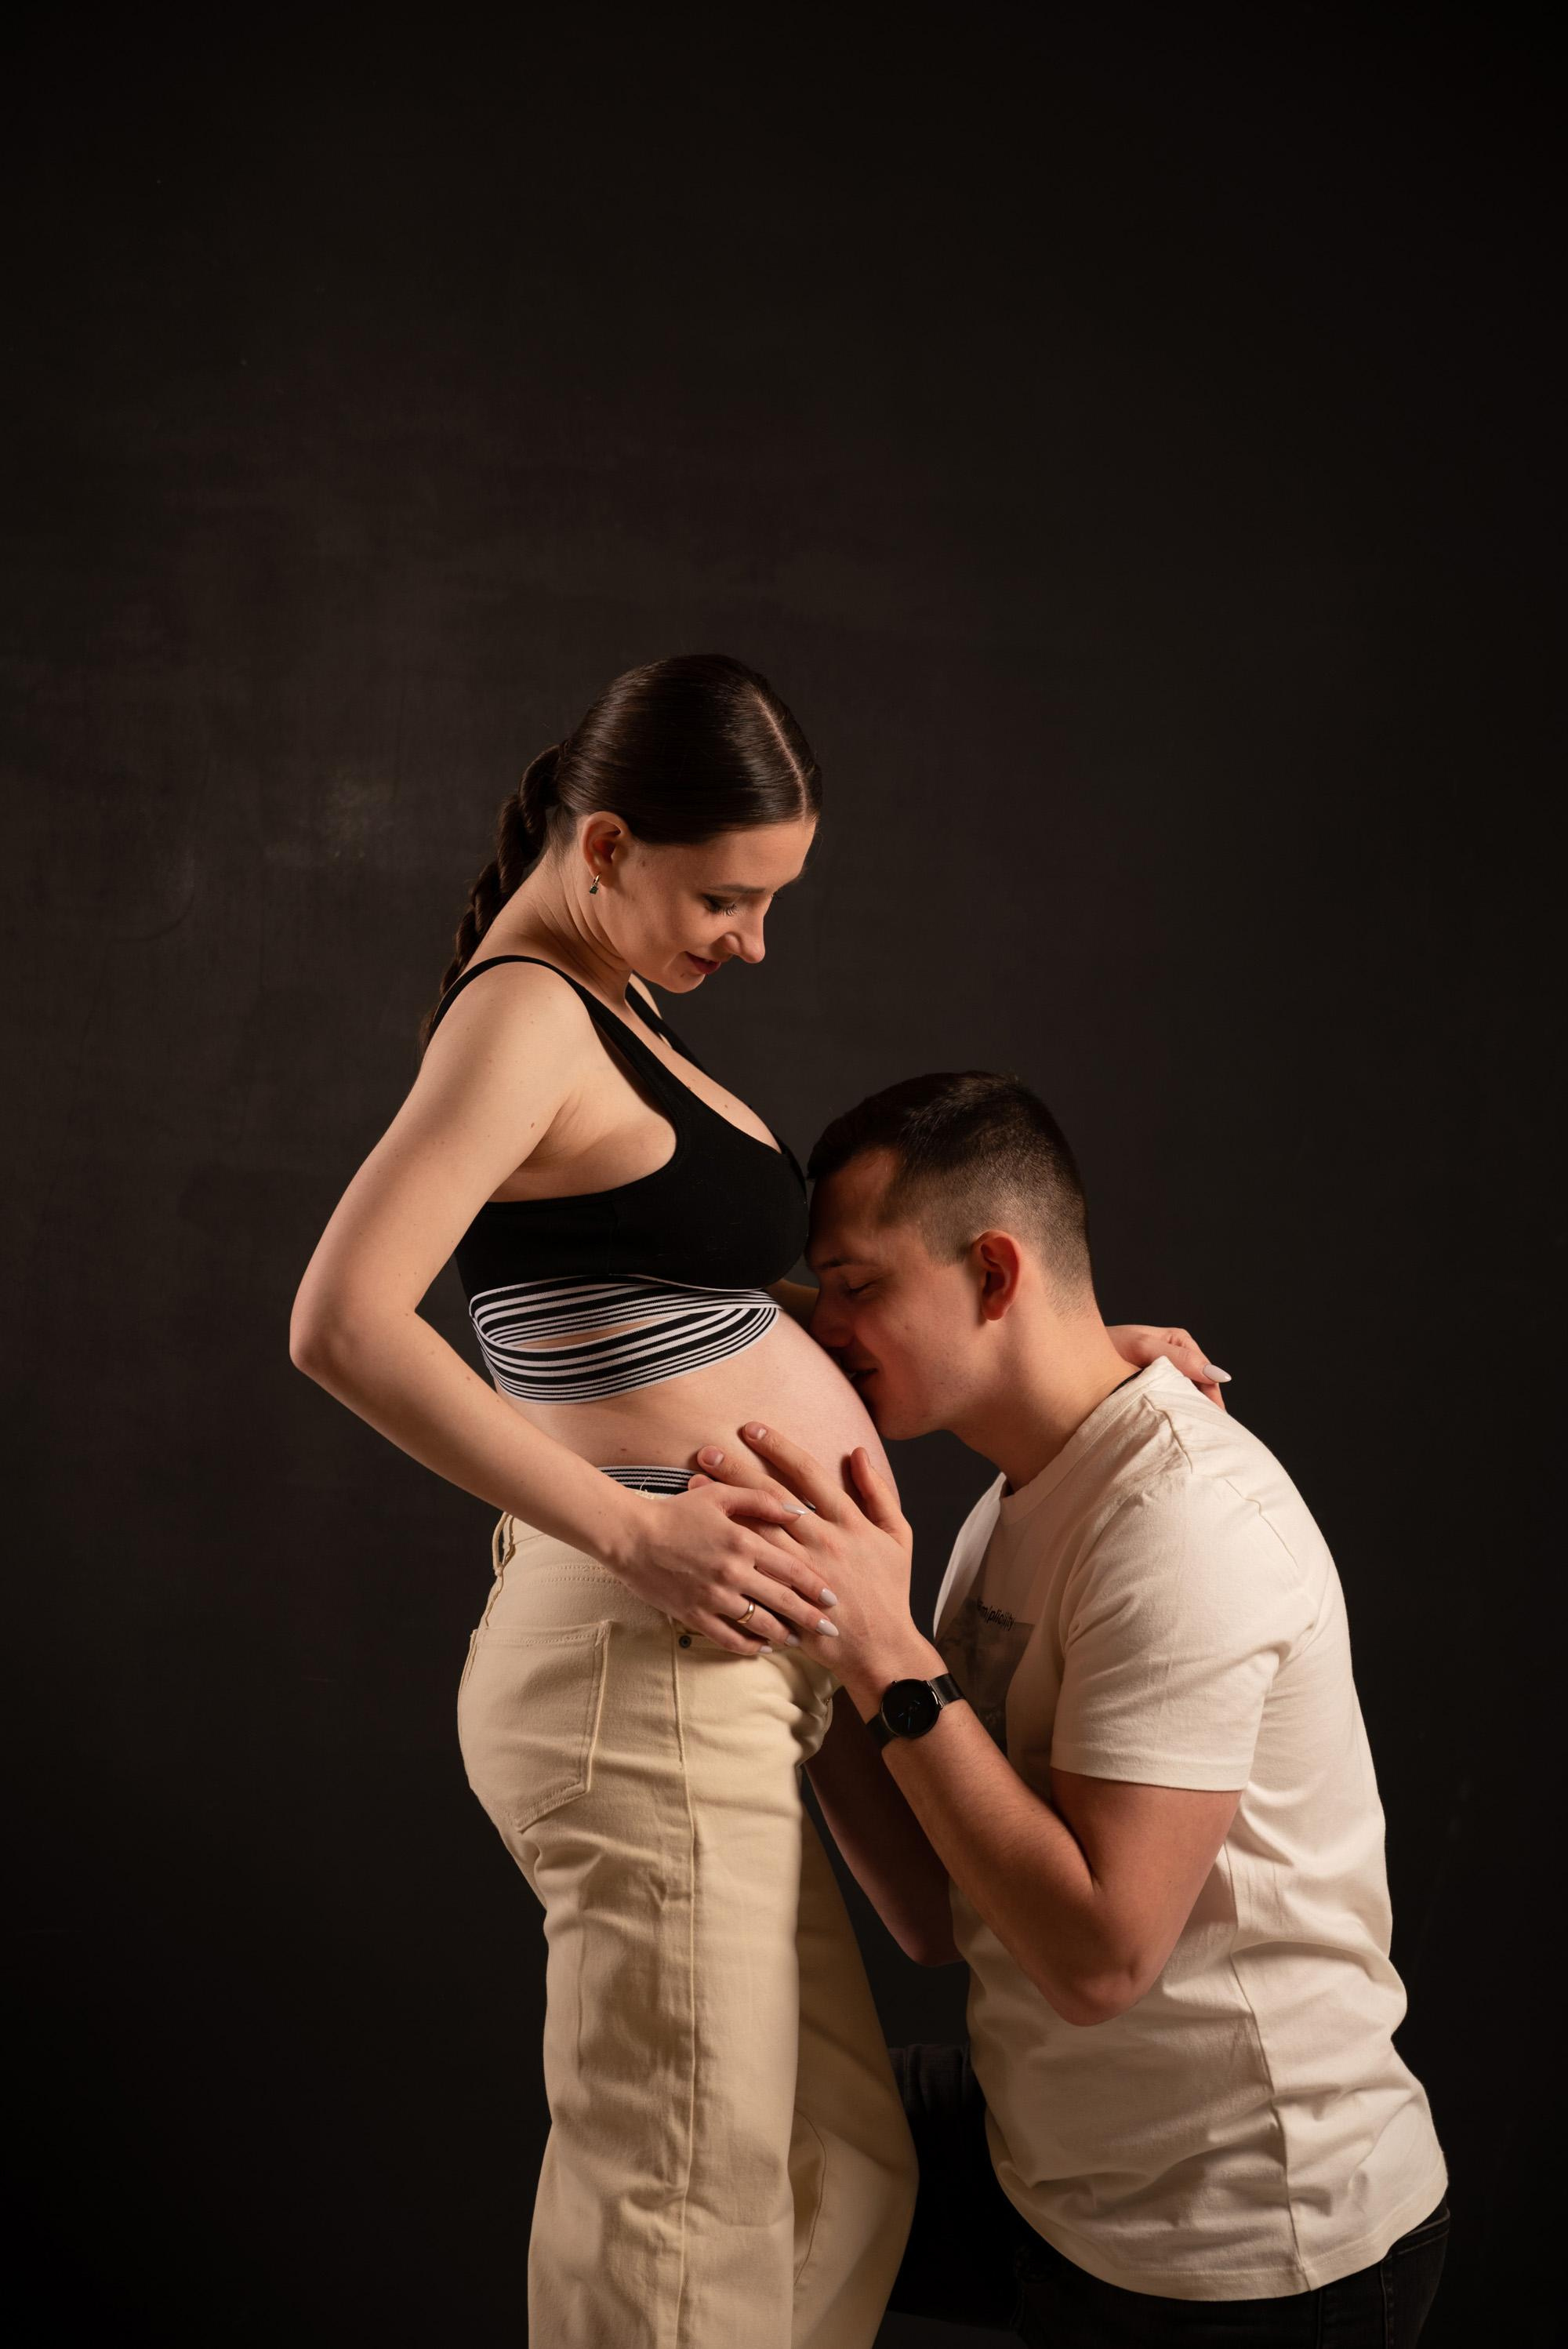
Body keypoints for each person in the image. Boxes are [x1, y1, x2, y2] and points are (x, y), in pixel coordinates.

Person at [288, 657, 1224, 2348]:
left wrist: (1061, 1346)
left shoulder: (611, 1008)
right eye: (728, 895)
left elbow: (694, 1317)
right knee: (680, 2224)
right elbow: (343, 1321)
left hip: (723, 1674)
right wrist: (636, 1527)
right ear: (608, 845)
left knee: (835, 2176)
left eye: (775, 899)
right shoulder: (523, 1011)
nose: (753, 941)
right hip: (643, 1655)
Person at [688, 1070, 1450, 2347]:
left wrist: (882, 1647)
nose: (828, 1331)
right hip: (1055, 2169)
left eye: (859, 1287)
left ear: (995, 1274)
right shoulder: (1018, 1493)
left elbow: (1100, 1960)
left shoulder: (1185, 1527)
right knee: (709, 2135)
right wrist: (813, 1644)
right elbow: (940, 1913)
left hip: (1251, 2259)